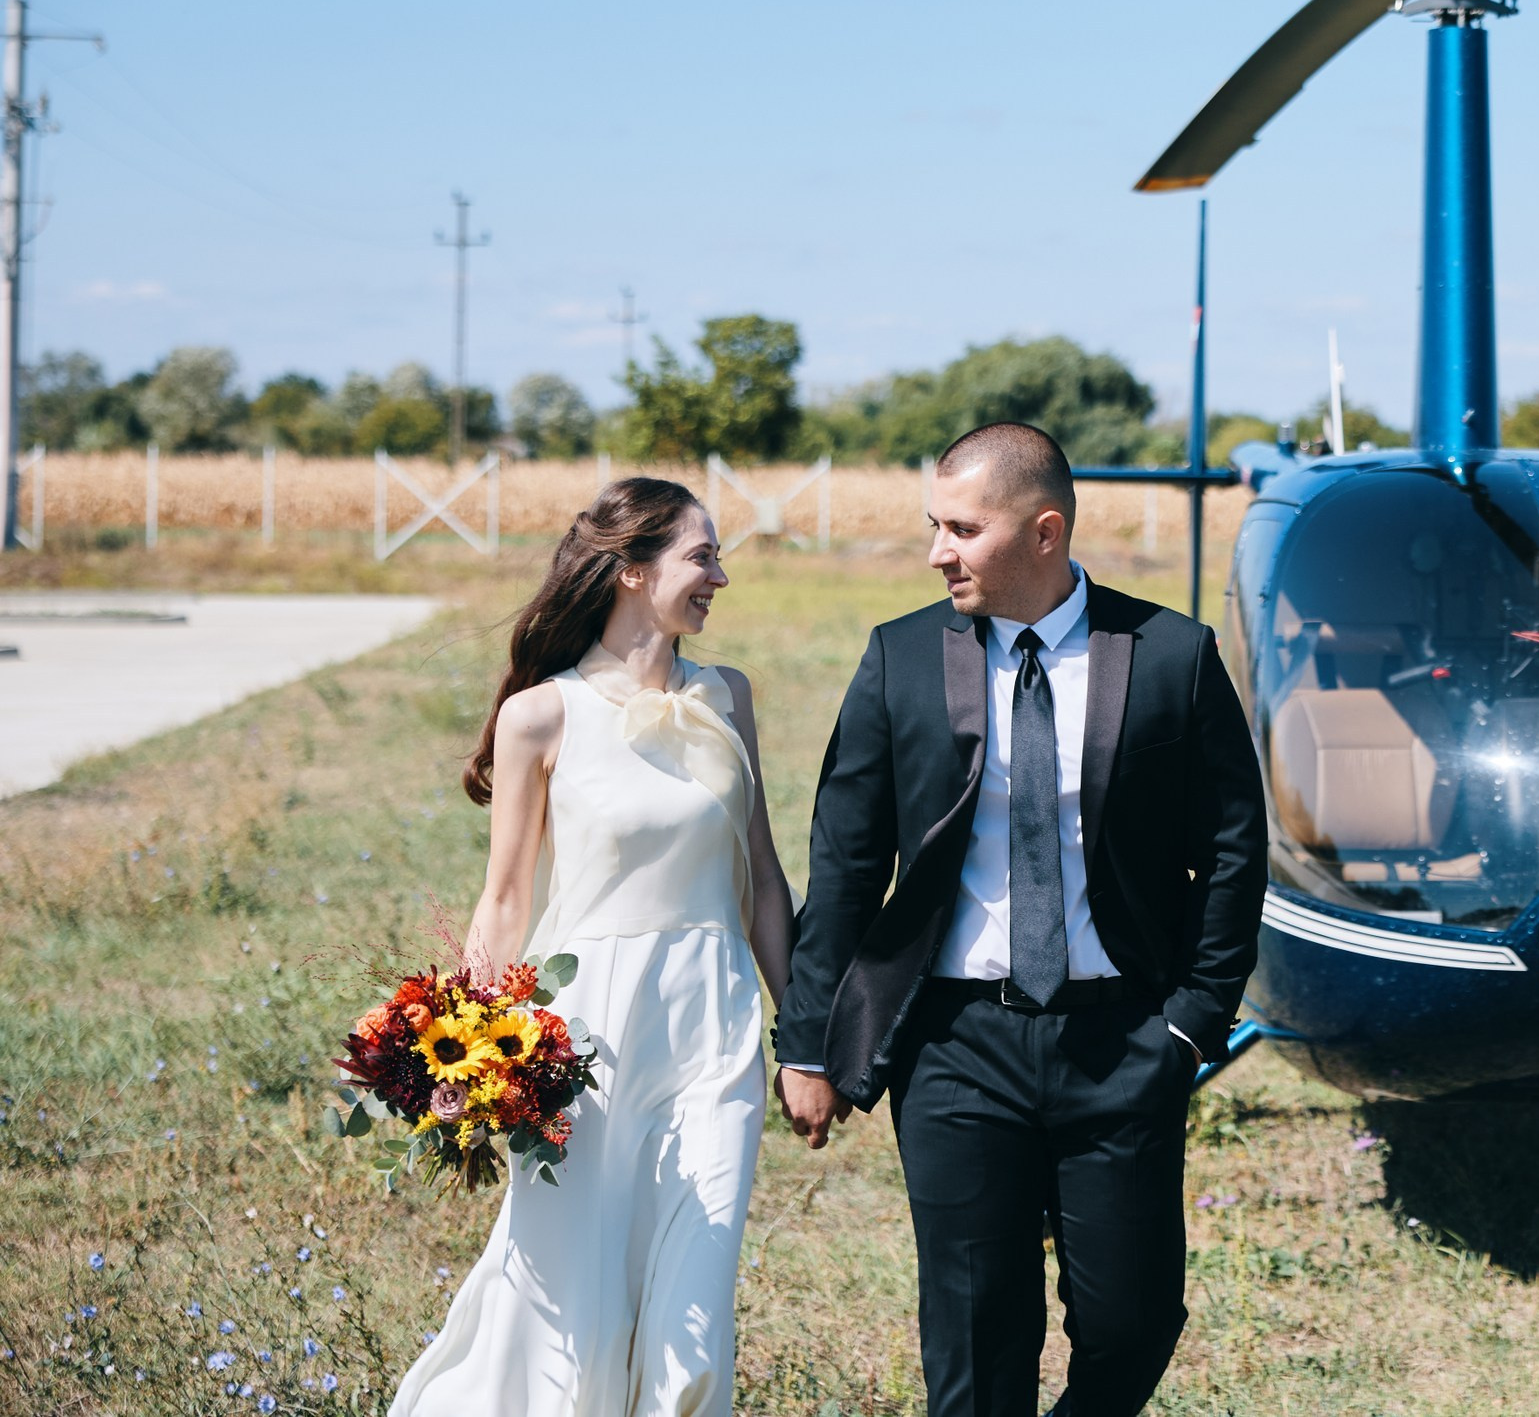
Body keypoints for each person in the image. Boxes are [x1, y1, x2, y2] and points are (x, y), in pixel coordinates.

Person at [774, 422, 1267, 1417]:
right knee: (973, 1333)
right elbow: (844, 868)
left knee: (1133, 1319)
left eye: (961, 528)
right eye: (933, 526)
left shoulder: (1169, 655)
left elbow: (1233, 850)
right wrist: (807, 1042)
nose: (935, 552)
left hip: (1125, 1036)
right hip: (953, 1043)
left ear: (1043, 531)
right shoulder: (899, 660)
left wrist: (1192, 1021)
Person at [393, 477, 798, 1417]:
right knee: (569, 1298)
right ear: (629, 571)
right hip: (584, 1042)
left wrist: (807, 1034)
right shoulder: (542, 715)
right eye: (703, 556)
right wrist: (472, 1055)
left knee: (694, 1308)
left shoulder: (727, 697)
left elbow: (765, 881)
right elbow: (504, 902)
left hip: (715, 1025)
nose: (721, 576)